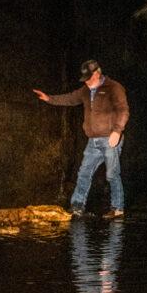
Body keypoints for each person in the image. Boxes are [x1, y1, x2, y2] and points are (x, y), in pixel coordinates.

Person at [33, 59, 129, 217]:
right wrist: (49, 98)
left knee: (112, 174)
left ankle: (117, 208)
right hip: (93, 141)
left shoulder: (114, 88)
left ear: (97, 73)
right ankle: (77, 206)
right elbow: (70, 98)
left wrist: (117, 131)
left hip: (110, 139)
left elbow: (123, 110)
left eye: (89, 78)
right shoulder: (85, 91)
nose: (86, 82)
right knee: (84, 172)